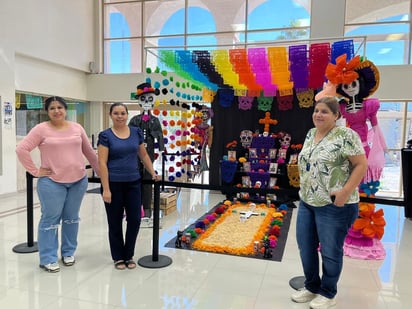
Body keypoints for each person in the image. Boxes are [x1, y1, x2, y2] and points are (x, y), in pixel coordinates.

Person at [291, 96, 368, 309]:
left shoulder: (346, 135)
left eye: (325, 111)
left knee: (330, 251)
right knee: (305, 247)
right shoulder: (310, 134)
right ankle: (311, 286)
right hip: (308, 201)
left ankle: (328, 292)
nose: (318, 114)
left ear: (336, 115)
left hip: (334, 205)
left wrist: (344, 192)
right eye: (316, 110)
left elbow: (361, 164)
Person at [16, 96, 100, 273]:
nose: (57, 111)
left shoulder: (77, 128)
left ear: (65, 109)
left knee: (71, 218)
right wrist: (35, 171)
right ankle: (48, 257)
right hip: (51, 183)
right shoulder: (41, 129)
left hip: (78, 180)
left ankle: (68, 252)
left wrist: (102, 175)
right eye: (52, 108)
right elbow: (21, 149)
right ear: (47, 111)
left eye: (60, 107)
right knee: (50, 219)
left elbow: (90, 152)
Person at [97, 103, 159, 270]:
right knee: (115, 221)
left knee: (135, 220)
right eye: (116, 113)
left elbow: (143, 155)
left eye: (123, 113)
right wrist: (106, 188)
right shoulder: (105, 136)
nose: (120, 116)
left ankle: (128, 254)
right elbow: (102, 163)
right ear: (111, 115)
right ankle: (118, 257)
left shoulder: (136, 133)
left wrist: (153, 172)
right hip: (113, 184)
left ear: (127, 115)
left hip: (133, 183)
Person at [128, 82, 164, 218]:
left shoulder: (155, 120)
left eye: (149, 99)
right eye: (143, 99)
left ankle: (147, 207)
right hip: (135, 152)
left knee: (148, 177)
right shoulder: (135, 119)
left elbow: (160, 134)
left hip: (149, 151)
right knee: (135, 177)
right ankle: (135, 206)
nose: (147, 102)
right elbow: (128, 134)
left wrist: (161, 149)